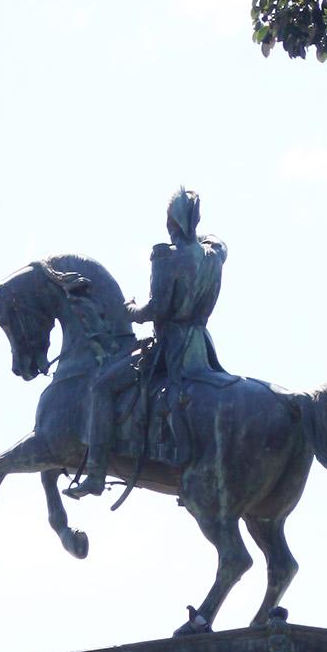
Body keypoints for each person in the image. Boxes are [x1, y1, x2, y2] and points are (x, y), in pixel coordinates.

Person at [68, 185, 228, 498]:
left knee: (101, 387)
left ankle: (97, 473)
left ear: (172, 223)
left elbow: (157, 309)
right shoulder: (214, 257)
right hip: (201, 347)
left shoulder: (167, 257)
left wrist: (129, 310)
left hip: (171, 348)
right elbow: (220, 243)